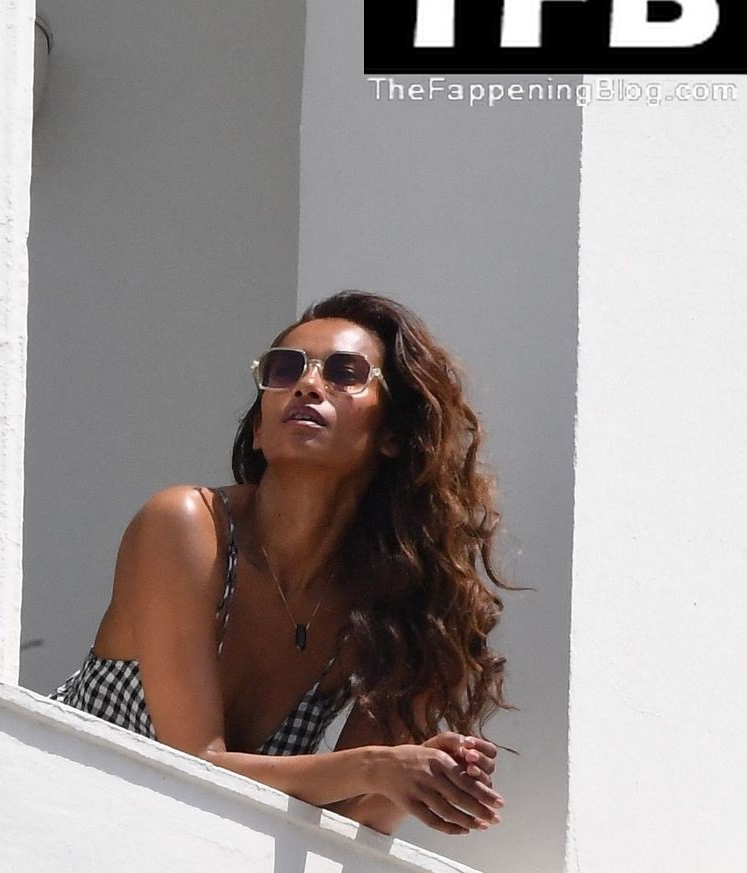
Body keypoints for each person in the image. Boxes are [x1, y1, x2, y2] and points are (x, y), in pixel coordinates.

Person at [51, 291, 509, 836]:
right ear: (259, 429)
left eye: (345, 373)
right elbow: (193, 766)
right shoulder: (186, 526)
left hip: (182, 861)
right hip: (57, 818)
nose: (308, 384)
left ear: (393, 435)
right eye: (285, 369)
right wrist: (376, 768)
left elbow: (349, 823)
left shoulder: (393, 609)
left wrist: (425, 779)